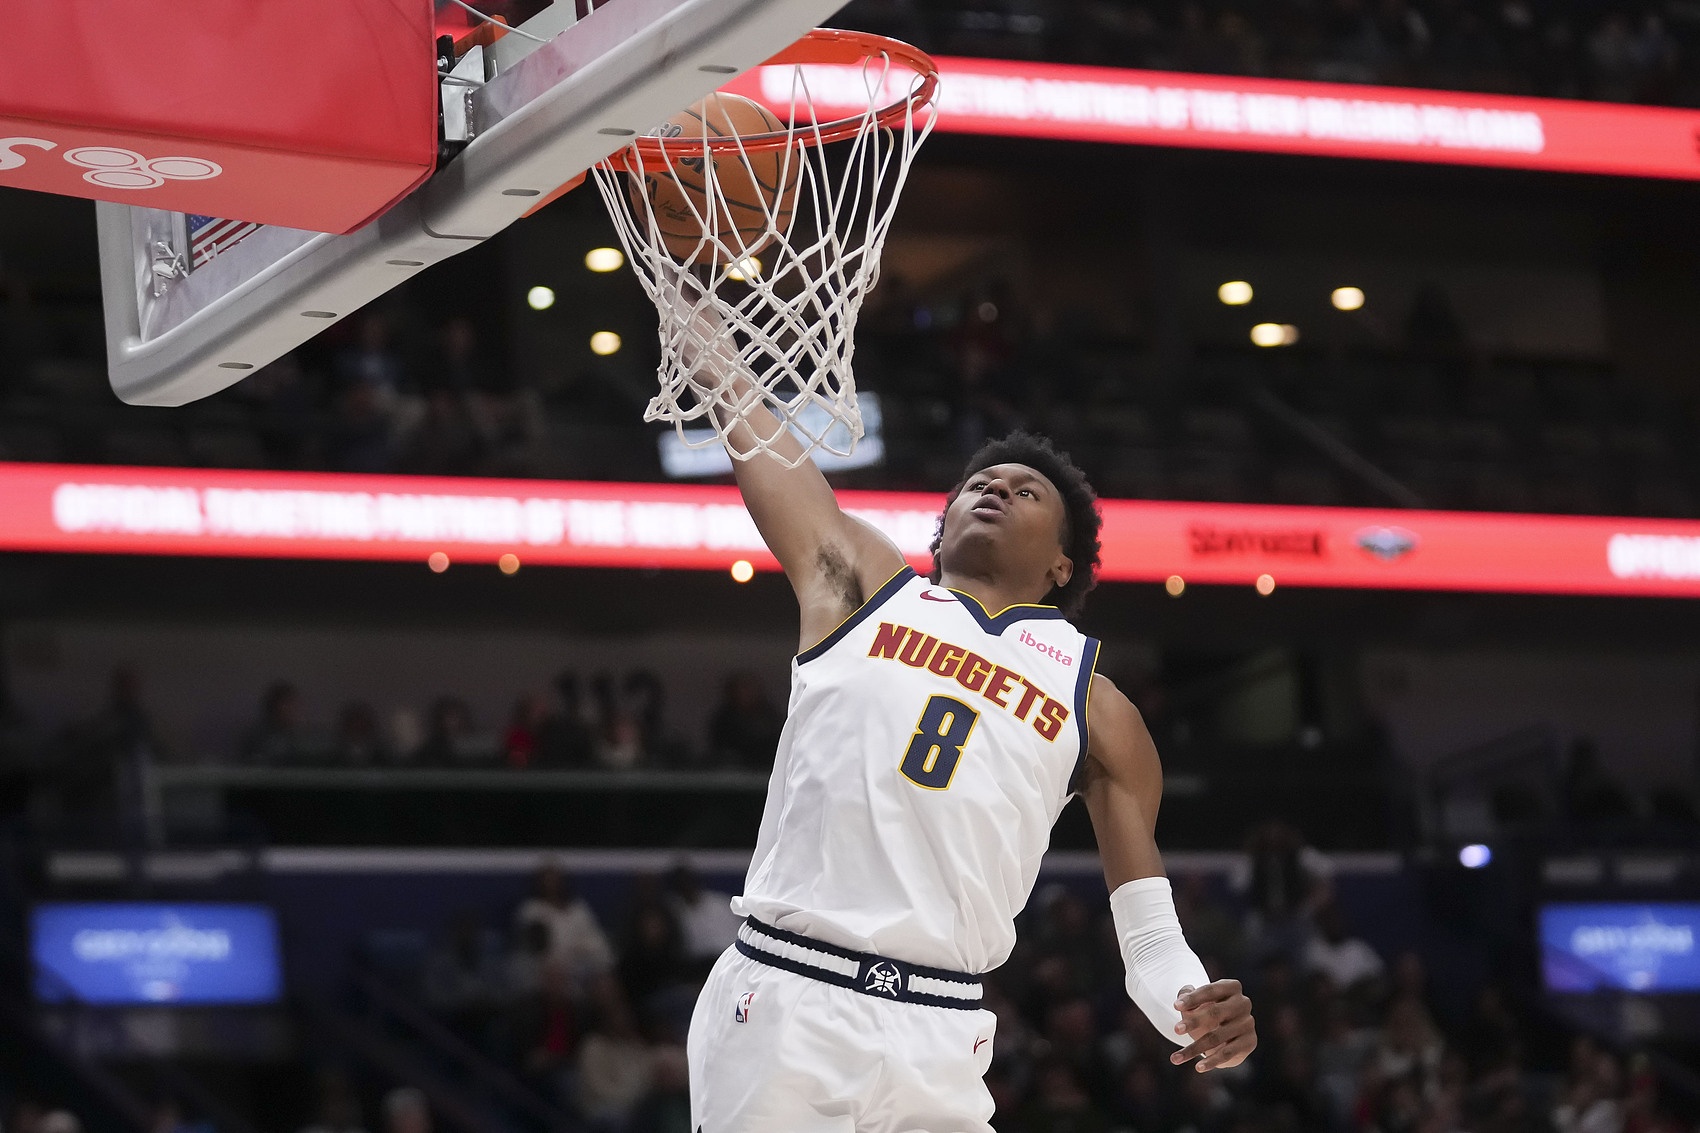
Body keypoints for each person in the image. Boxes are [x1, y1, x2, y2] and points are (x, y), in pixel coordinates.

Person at [682, 333, 1256, 1133]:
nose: (994, 488)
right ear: (942, 523)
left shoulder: (1098, 705)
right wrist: (710, 347)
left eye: (1026, 491)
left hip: (943, 1030)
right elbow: (771, 452)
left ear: (1063, 564)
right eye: (979, 483)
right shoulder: (863, 588)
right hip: (790, 993)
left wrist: (1193, 1009)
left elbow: (1152, 942)